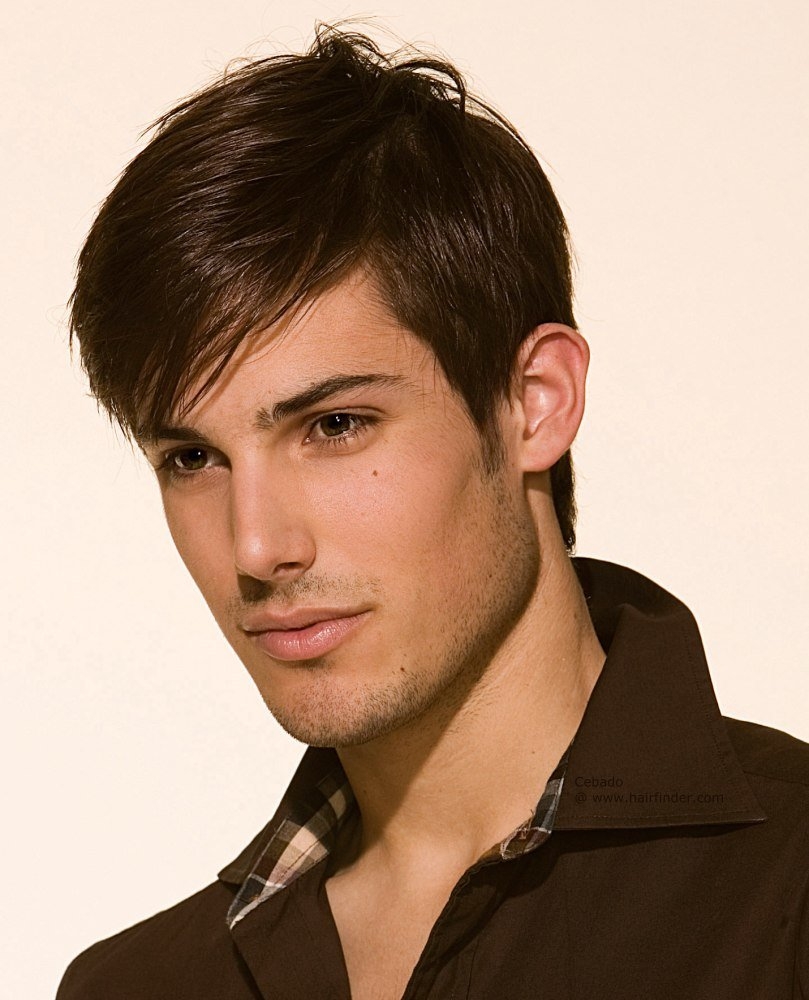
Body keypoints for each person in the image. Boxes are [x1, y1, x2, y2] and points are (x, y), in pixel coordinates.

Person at [57, 26, 808, 1000]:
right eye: (192, 458)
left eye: (334, 425)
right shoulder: (135, 987)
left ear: (533, 402)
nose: (256, 546)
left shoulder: (785, 893)